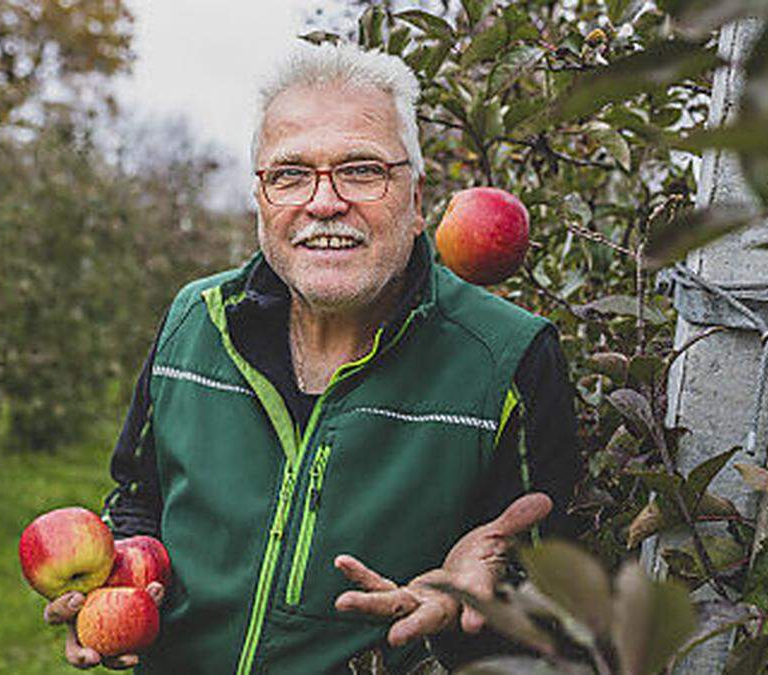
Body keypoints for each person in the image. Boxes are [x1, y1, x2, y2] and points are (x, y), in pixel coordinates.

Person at [43, 41, 582, 673]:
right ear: (261, 197)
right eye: (290, 174)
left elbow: (562, 598)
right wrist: (117, 586)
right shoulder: (196, 321)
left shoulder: (508, 359)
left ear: (417, 200)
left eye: (361, 169)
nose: (323, 202)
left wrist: (475, 602)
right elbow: (139, 499)